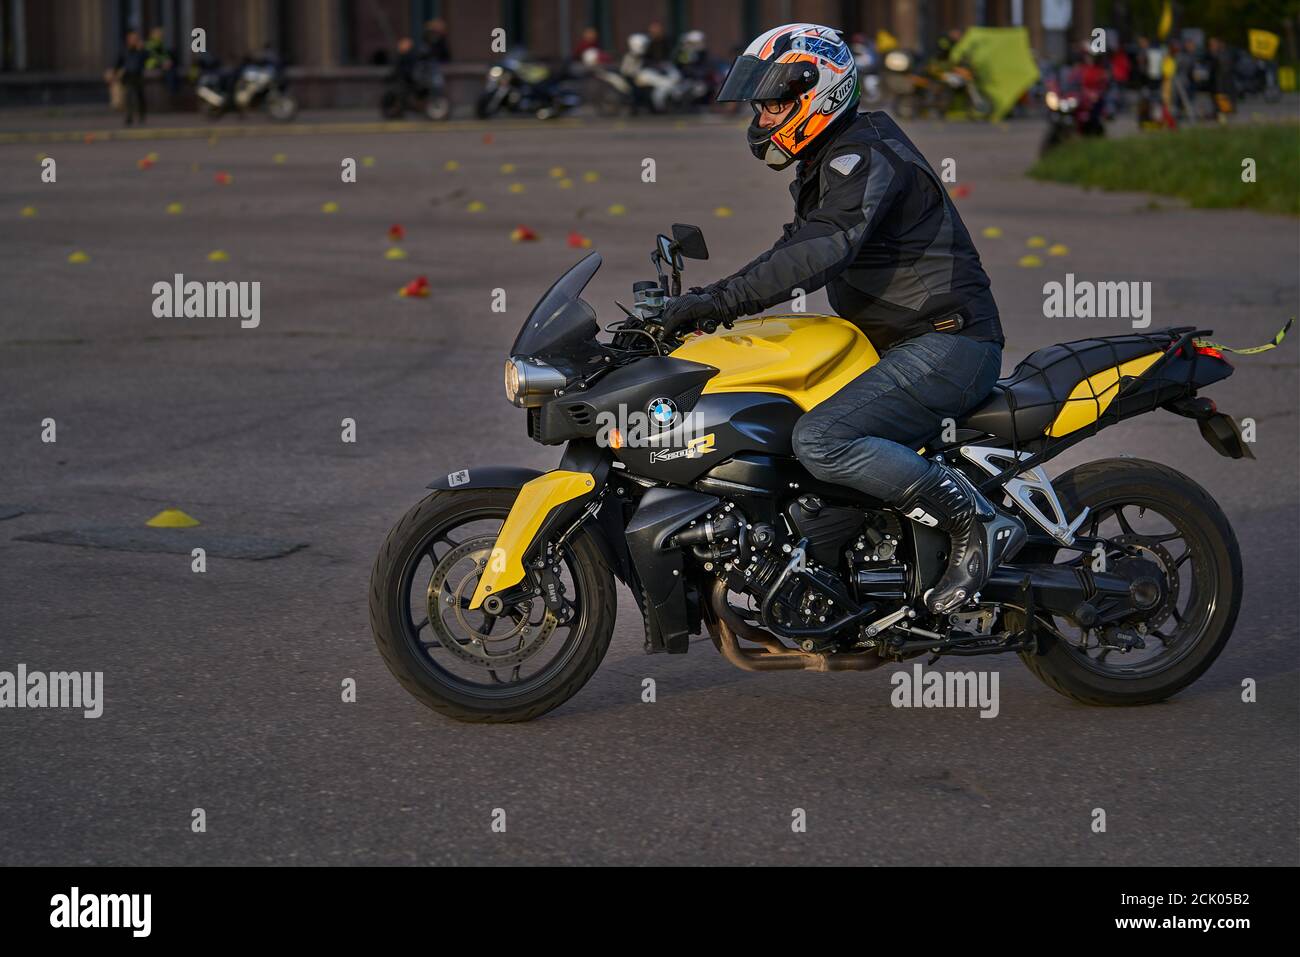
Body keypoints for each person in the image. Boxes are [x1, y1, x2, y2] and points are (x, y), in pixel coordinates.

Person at [659, 23, 1024, 615]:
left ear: (818, 92)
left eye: (775, 104)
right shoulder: (832, 157)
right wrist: (704, 309)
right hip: (897, 344)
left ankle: (972, 523)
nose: (764, 118)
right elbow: (796, 246)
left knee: (822, 438)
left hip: (946, 343)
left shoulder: (864, 156)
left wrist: (719, 300)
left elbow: (823, 248)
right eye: (761, 105)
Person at [113, 31, 148, 126]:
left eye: (135, 39)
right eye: (131, 39)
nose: (133, 41)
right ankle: (129, 116)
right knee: (129, 96)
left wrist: (141, 50)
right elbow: (119, 62)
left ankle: (142, 115)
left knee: (140, 96)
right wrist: (114, 73)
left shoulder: (141, 50)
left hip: (138, 75)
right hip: (128, 76)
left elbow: (146, 59)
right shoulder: (125, 50)